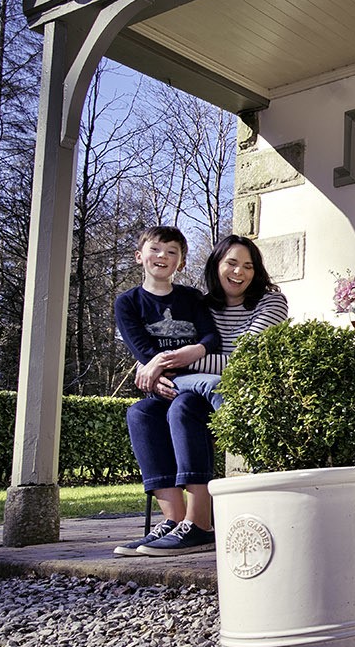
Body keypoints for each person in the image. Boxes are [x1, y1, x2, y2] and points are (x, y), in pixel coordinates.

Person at [112, 226, 222, 557]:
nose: (163, 256)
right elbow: (141, 348)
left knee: (183, 408)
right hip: (160, 388)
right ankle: (173, 522)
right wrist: (155, 368)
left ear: (182, 262)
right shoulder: (128, 303)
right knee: (140, 412)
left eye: (172, 252)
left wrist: (192, 353)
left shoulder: (191, 299)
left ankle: (199, 523)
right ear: (139, 256)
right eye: (156, 249)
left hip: (196, 386)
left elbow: (210, 337)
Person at [170, 234, 290, 410]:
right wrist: (150, 362)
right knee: (145, 410)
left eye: (248, 266)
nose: (239, 271)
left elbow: (244, 361)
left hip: (250, 399)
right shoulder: (201, 305)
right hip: (203, 394)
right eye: (231, 263)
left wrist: (171, 361)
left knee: (184, 406)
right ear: (216, 265)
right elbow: (168, 339)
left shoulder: (272, 303)